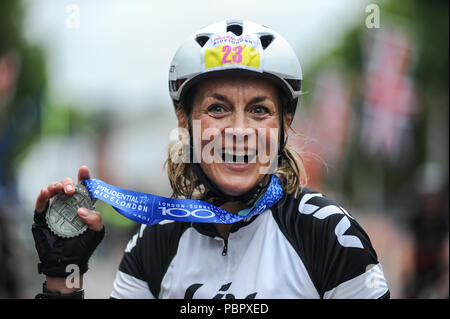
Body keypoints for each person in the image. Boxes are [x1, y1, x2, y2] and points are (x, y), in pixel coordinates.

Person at [32, 19, 389, 299]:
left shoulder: (331, 235)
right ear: (185, 123)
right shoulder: (156, 241)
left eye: (259, 110)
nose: (238, 129)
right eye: (217, 108)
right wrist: (62, 276)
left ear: (284, 125)